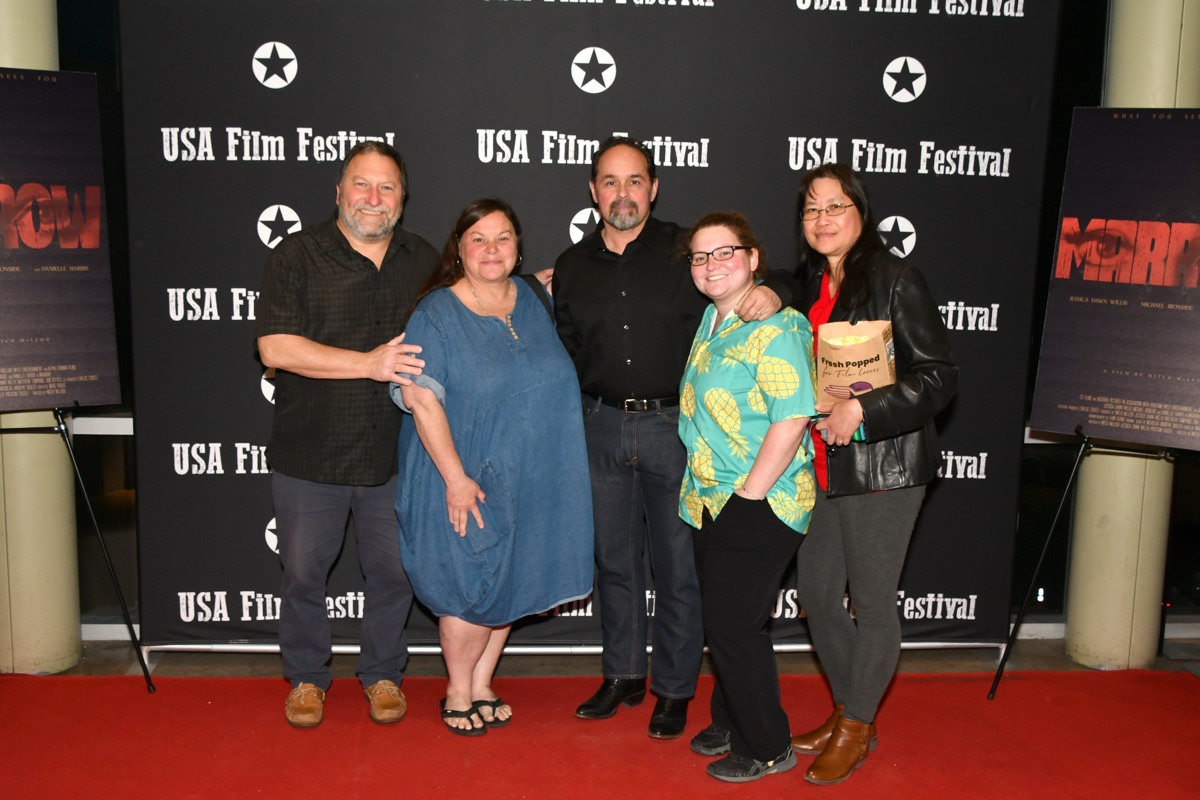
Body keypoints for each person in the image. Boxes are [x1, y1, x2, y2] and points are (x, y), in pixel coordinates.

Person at [553, 136, 798, 739]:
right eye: (609, 181)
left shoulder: (690, 250)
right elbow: (567, 346)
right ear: (593, 191)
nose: (622, 193)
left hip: (676, 431)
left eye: (635, 180)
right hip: (602, 424)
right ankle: (622, 674)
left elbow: (770, 275)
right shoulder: (573, 266)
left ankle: (675, 688)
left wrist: (777, 290)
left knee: (677, 567)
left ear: (653, 187)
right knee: (614, 562)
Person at [393, 198, 593, 736]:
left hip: (530, 474)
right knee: (468, 583)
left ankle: (482, 682)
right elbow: (421, 398)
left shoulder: (534, 296)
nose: (491, 249)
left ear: (519, 247)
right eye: (478, 239)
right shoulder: (435, 312)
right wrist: (455, 480)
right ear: (458, 249)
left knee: (509, 575)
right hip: (461, 474)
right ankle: (458, 690)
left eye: (503, 237)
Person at [256, 141, 438, 728]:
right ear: (339, 190)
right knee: (304, 574)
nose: (373, 198)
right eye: (362, 184)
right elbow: (276, 348)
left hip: (397, 456)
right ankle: (307, 679)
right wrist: (369, 363)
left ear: (403, 200)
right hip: (311, 453)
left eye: (387, 188)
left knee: (393, 574)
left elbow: (470, 312)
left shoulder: (424, 259)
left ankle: (383, 672)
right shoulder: (296, 256)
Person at [791, 163, 958, 784]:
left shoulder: (895, 278)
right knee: (816, 596)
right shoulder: (812, 285)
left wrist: (863, 408)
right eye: (811, 209)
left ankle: (858, 726)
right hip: (824, 465)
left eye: (836, 206)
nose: (823, 219)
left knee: (872, 603)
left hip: (884, 464)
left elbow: (939, 375)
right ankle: (848, 708)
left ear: (861, 213)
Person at [677, 212, 817, 783]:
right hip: (711, 496)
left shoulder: (778, 327)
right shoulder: (712, 319)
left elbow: (792, 416)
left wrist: (751, 494)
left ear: (754, 258)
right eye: (700, 256)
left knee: (735, 627)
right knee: (728, 621)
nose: (712, 265)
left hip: (763, 497)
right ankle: (733, 721)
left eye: (725, 252)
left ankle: (767, 745)